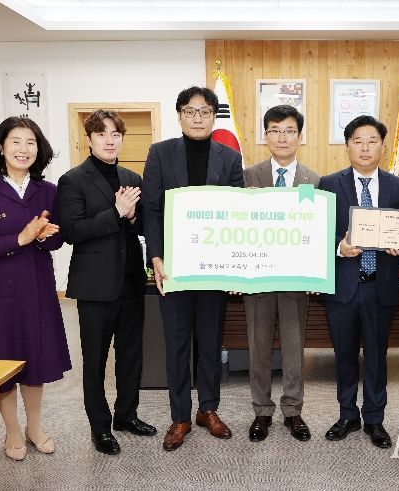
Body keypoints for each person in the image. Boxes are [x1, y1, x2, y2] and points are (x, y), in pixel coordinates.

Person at [0, 116, 71, 461]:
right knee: (4, 361)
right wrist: (20, 238)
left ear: (39, 150)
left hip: (37, 288)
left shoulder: (48, 190)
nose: (24, 149)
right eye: (16, 141)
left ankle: (34, 427)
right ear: (1, 147)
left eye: (31, 142)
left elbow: (57, 240)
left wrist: (44, 237)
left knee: (34, 360)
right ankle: (11, 430)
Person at [142, 86, 244, 451]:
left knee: (211, 341)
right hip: (174, 266)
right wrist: (156, 257)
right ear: (179, 115)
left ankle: (208, 409)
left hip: (213, 265)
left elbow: (238, 212)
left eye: (204, 112)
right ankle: (180, 416)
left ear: (214, 116)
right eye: (190, 111)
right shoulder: (160, 153)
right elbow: (151, 209)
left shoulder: (230, 158)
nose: (197, 118)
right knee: (177, 342)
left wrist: (234, 263)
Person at [56, 109, 155, 456]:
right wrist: (115, 212)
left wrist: (132, 216)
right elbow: (72, 231)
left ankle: (126, 415)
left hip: (131, 281)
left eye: (115, 134)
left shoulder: (132, 177)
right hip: (95, 286)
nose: (109, 140)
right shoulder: (73, 180)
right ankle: (100, 426)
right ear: (89, 139)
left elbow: (142, 224)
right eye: (101, 134)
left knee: (131, 356)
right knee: (95, 360)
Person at [318, 115, 399, 449]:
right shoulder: (329, 183)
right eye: (357, 141)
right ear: (347, 146)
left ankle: (374, 418)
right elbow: (317, 230)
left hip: (379, 285)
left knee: (376, 356)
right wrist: (338, 247)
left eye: (372, 141)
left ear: (383, 146)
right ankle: (347, 415)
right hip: (343, 285)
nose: (365, 147)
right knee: (343, 355)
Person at [243, 105, 319, 443]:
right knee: (258, 346)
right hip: (257, 277)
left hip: (295, 278)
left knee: (293, 346)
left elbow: (315, 231)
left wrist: (316, 273)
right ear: (266, 136)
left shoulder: (313, 180)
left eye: (289, 130)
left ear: (299, 136)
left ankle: (293, 410)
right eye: (275, 130)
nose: (282, 137)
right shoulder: (248, 177)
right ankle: (261, 410)